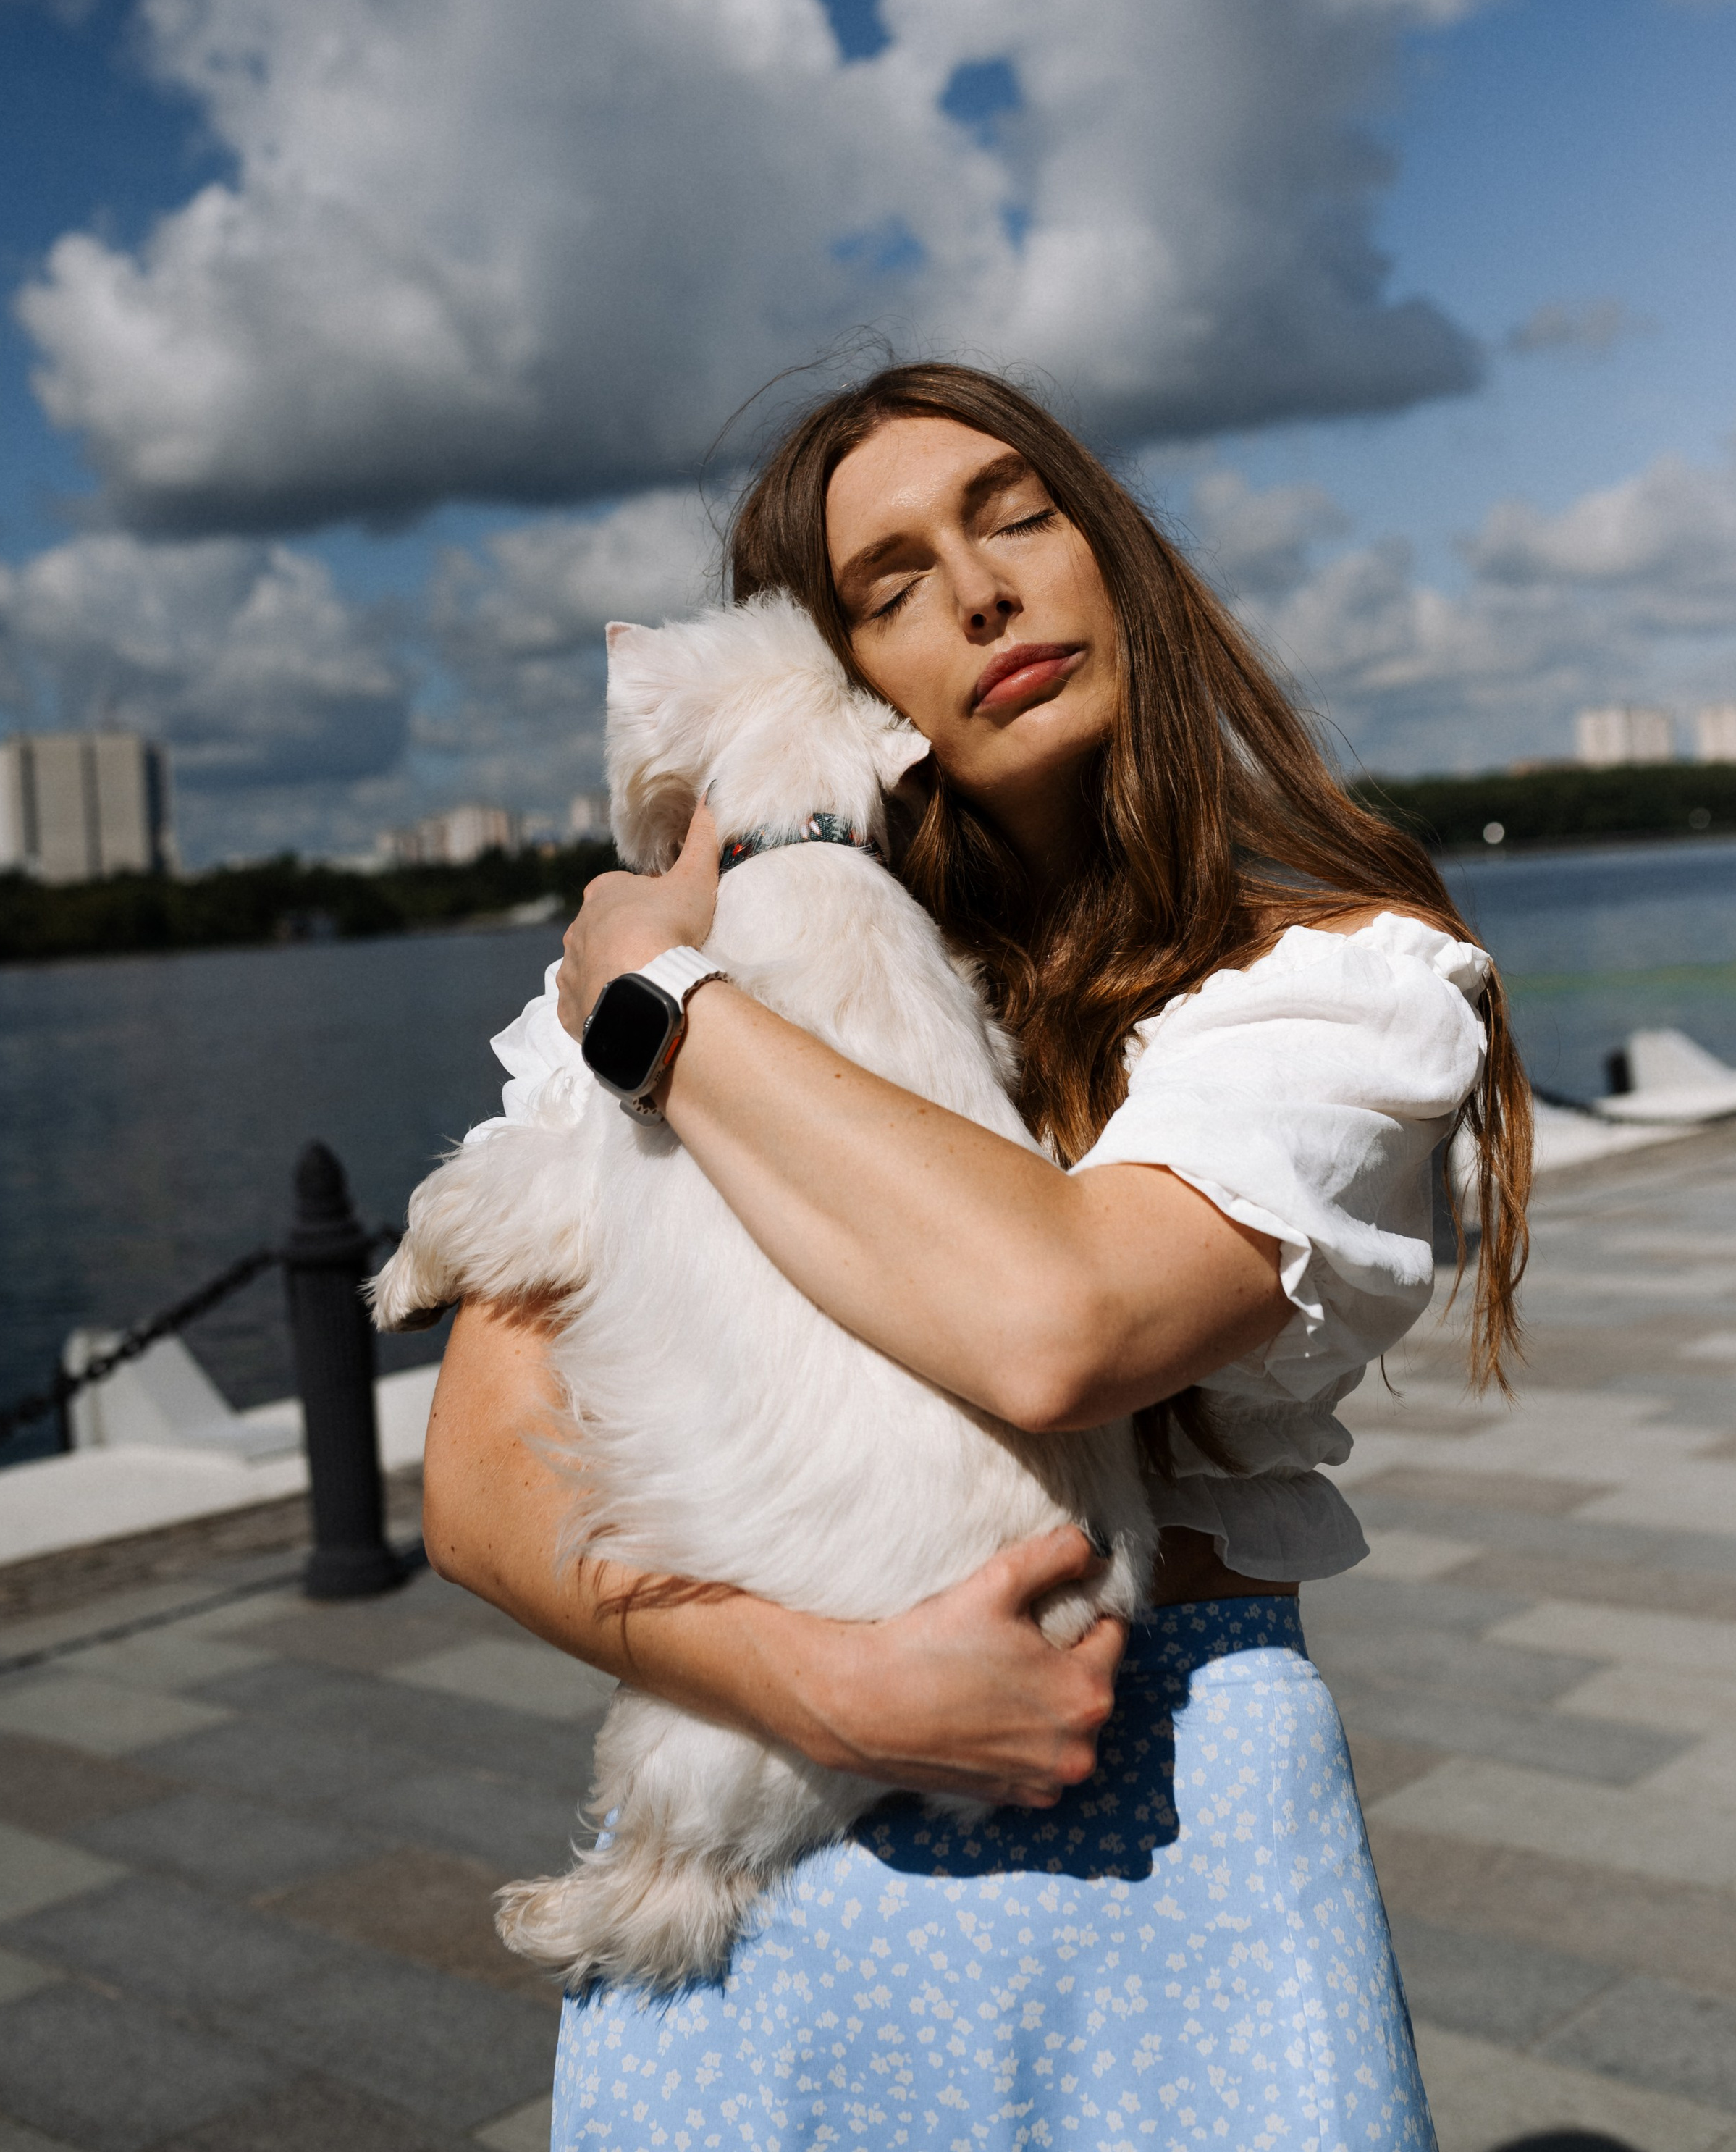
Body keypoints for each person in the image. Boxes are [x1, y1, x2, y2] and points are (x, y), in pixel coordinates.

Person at [424, 360, 1530, 2149]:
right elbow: (477, 1480)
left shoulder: (1334, 983)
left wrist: (653, 1004)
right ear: (836, 683)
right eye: (887, 581)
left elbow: (1059, 1321)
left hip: (1174, 1835)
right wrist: (825, 1688)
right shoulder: (714, 968)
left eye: (1016, 513)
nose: (981, 590)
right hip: (774, 1863)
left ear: (1116, 555)